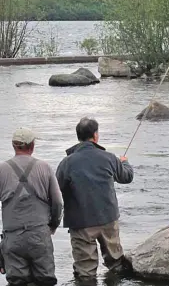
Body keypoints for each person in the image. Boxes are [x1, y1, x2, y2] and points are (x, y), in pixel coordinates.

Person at [56, 117, 134, 281]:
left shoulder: (66, 163)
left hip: (80, 223)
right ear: (95, 136)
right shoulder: (109, 157)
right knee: (117, 265)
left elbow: (57, 192)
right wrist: (125, 163)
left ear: (78, 137)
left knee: (85, 273)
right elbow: (126, 177)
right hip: (108, 219)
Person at [0, 128, 63, 286]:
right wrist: (52, 226)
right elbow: (58, 202)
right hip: (40, 235)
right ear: (32, 146)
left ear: (14, 146)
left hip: (13, 238)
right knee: (46, 281)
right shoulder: (45, 167)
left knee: (17, 282)